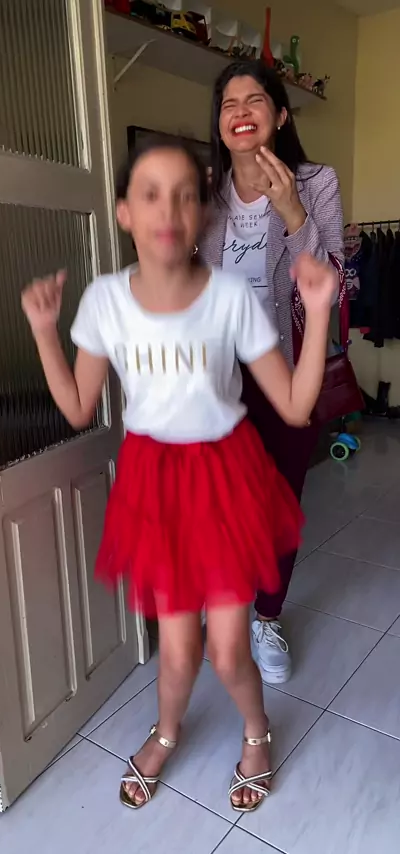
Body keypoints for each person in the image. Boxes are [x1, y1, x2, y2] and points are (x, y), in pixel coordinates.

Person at [21, 138, 336, 813]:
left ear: (203, 214)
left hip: (224, 479)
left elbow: (294, 405)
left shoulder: (229, 296)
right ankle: (166, 731)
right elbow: (78, 407)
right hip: (154, 484)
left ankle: (257, 730)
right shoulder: (105, 300)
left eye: (186, 195)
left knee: (227, 649)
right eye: (151, 194)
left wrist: (318, 315)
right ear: (125, 213)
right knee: (177, 650)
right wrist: (46, 332)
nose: (169, 209)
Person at [200, 59, 345, 685]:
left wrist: (293, 213)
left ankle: (267, 616)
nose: (240, 111)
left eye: (254, 99)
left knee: (279, 502)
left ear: (280, 115)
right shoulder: (206, 193)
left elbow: (333, 281)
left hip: (286, 371)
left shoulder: (315, 183)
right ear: (220, 122)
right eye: (228, 103)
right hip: (217, 378)